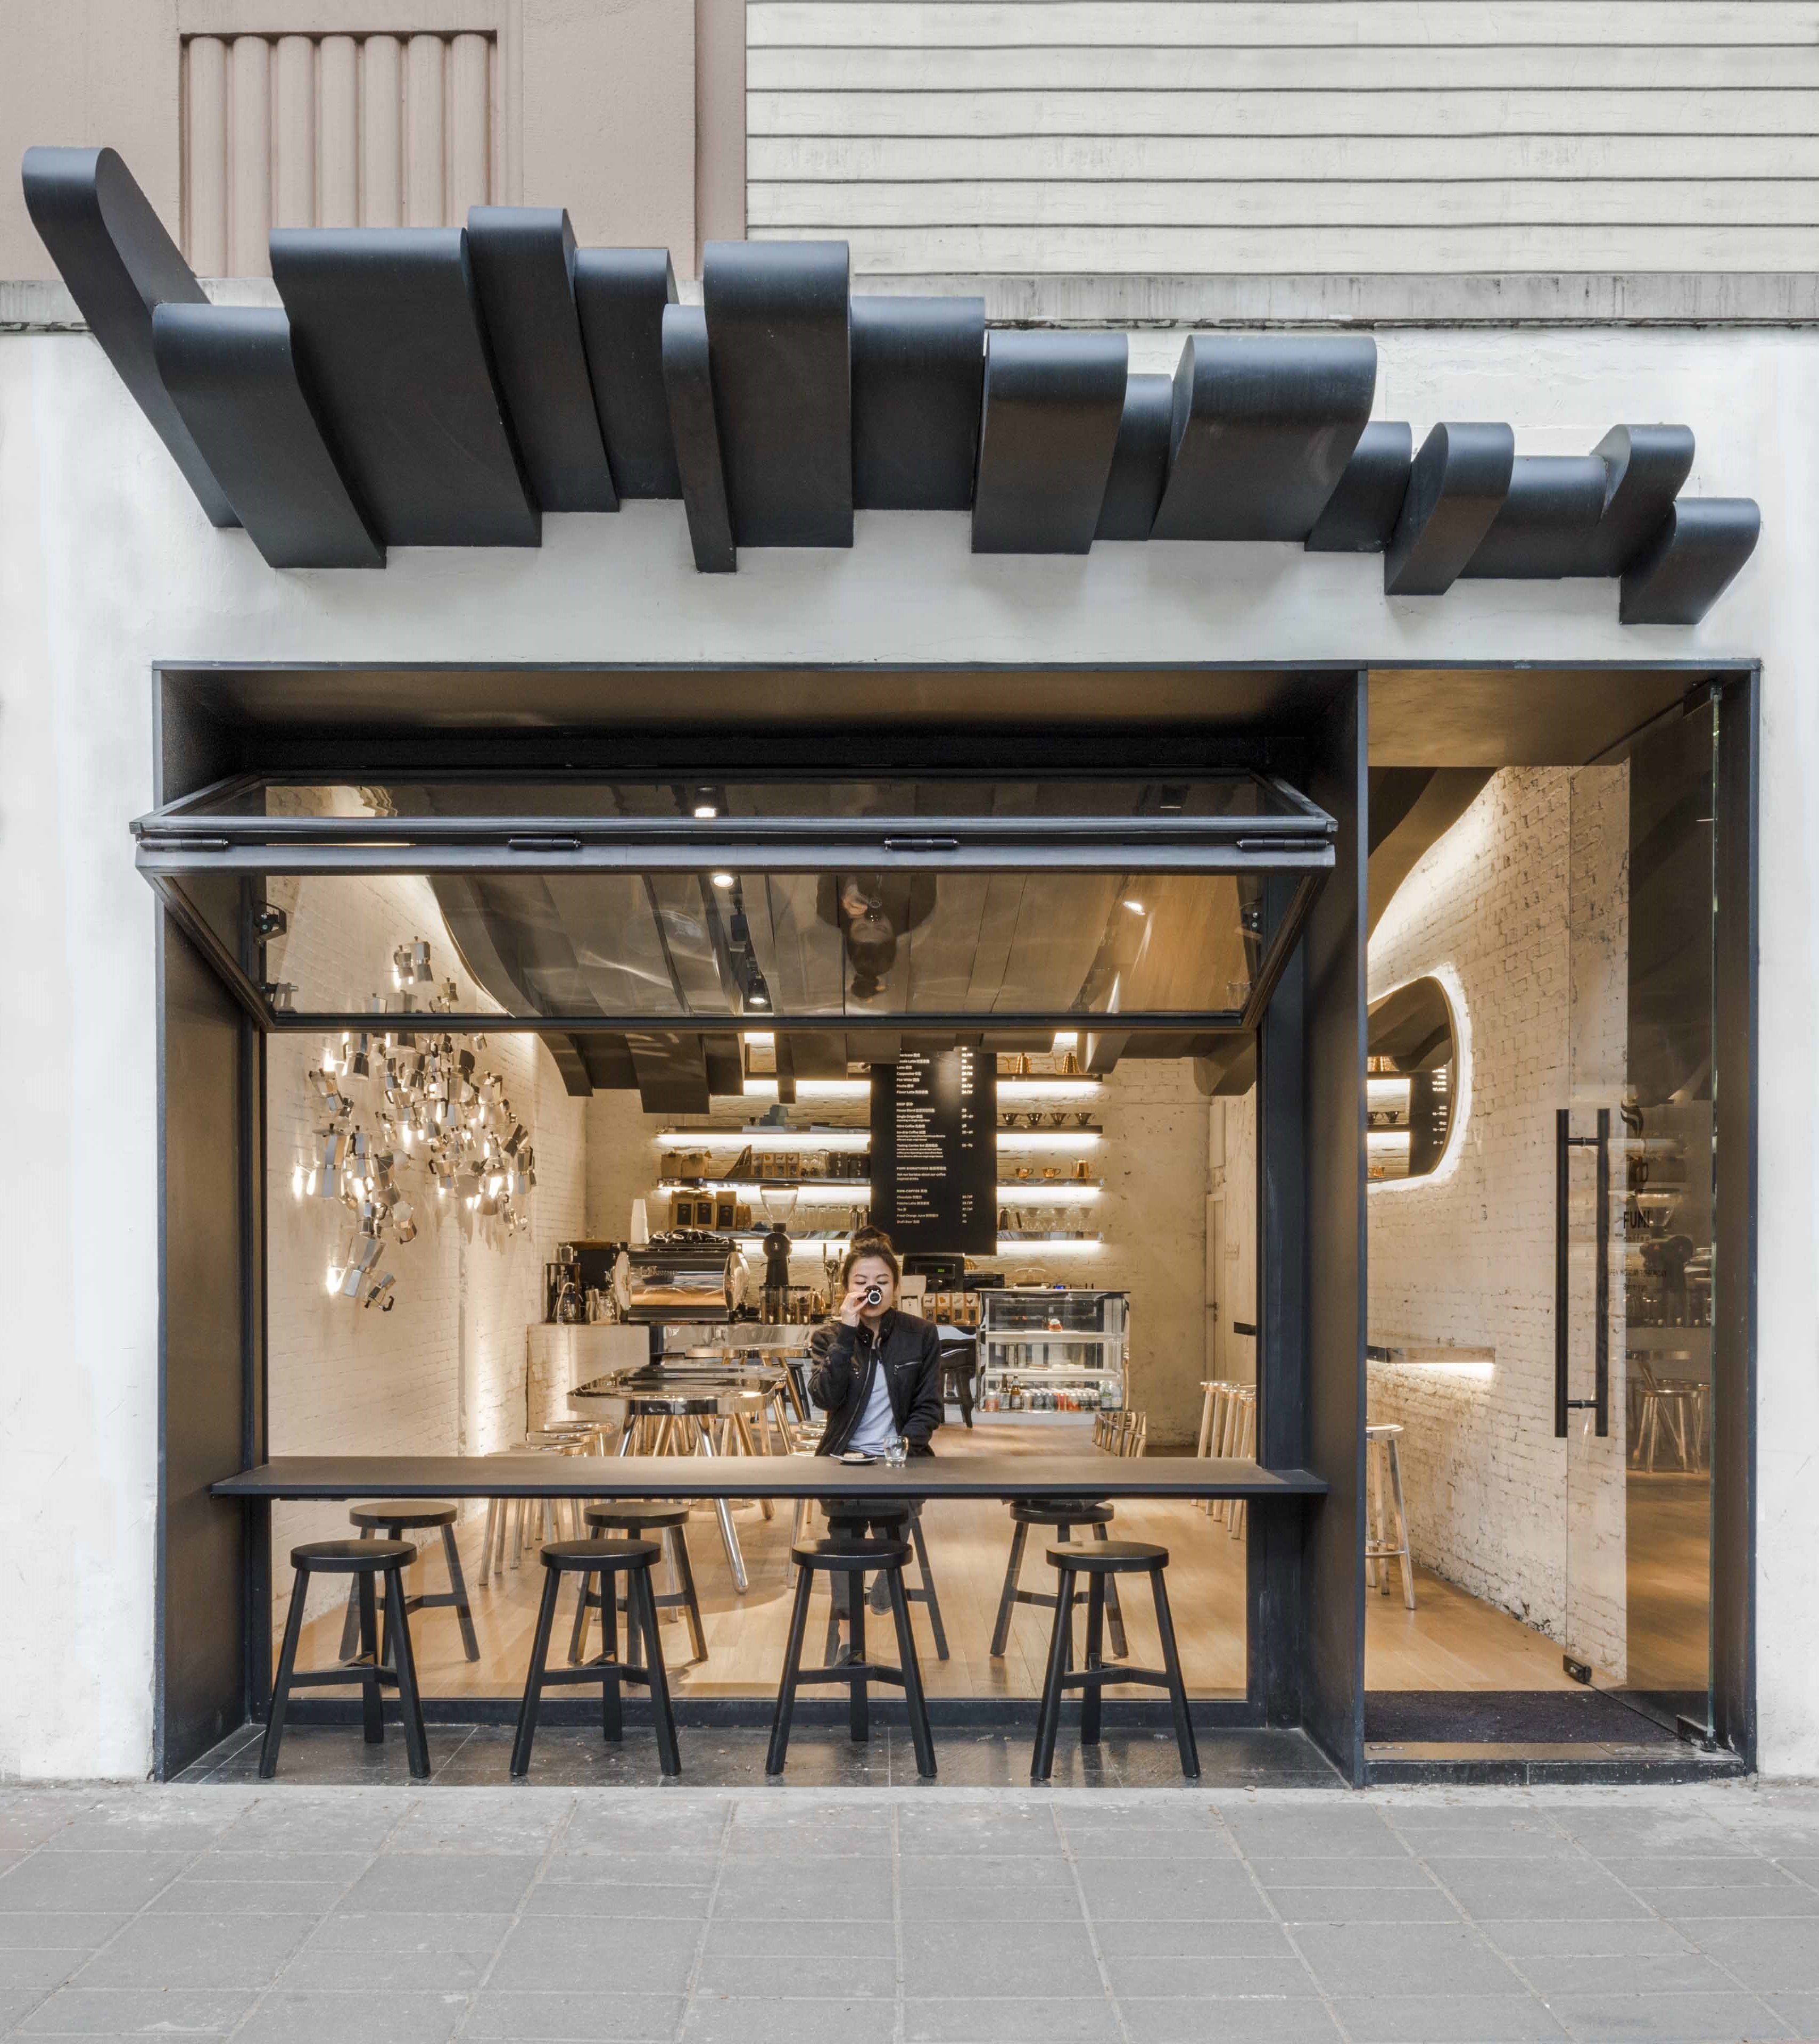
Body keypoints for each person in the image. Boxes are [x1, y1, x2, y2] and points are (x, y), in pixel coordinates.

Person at [808, 1233, 943, 1457]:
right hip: (844, 1456)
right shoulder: (829, 1337)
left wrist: (900, 1451)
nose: (872, 1290)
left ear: (895, 1286)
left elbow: (929, 1407)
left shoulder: (921, 1334)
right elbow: (826, 1400)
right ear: (846, 1287)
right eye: (861, 1282)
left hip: (903, 1457)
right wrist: (846, 1335)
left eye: (882, 1282)